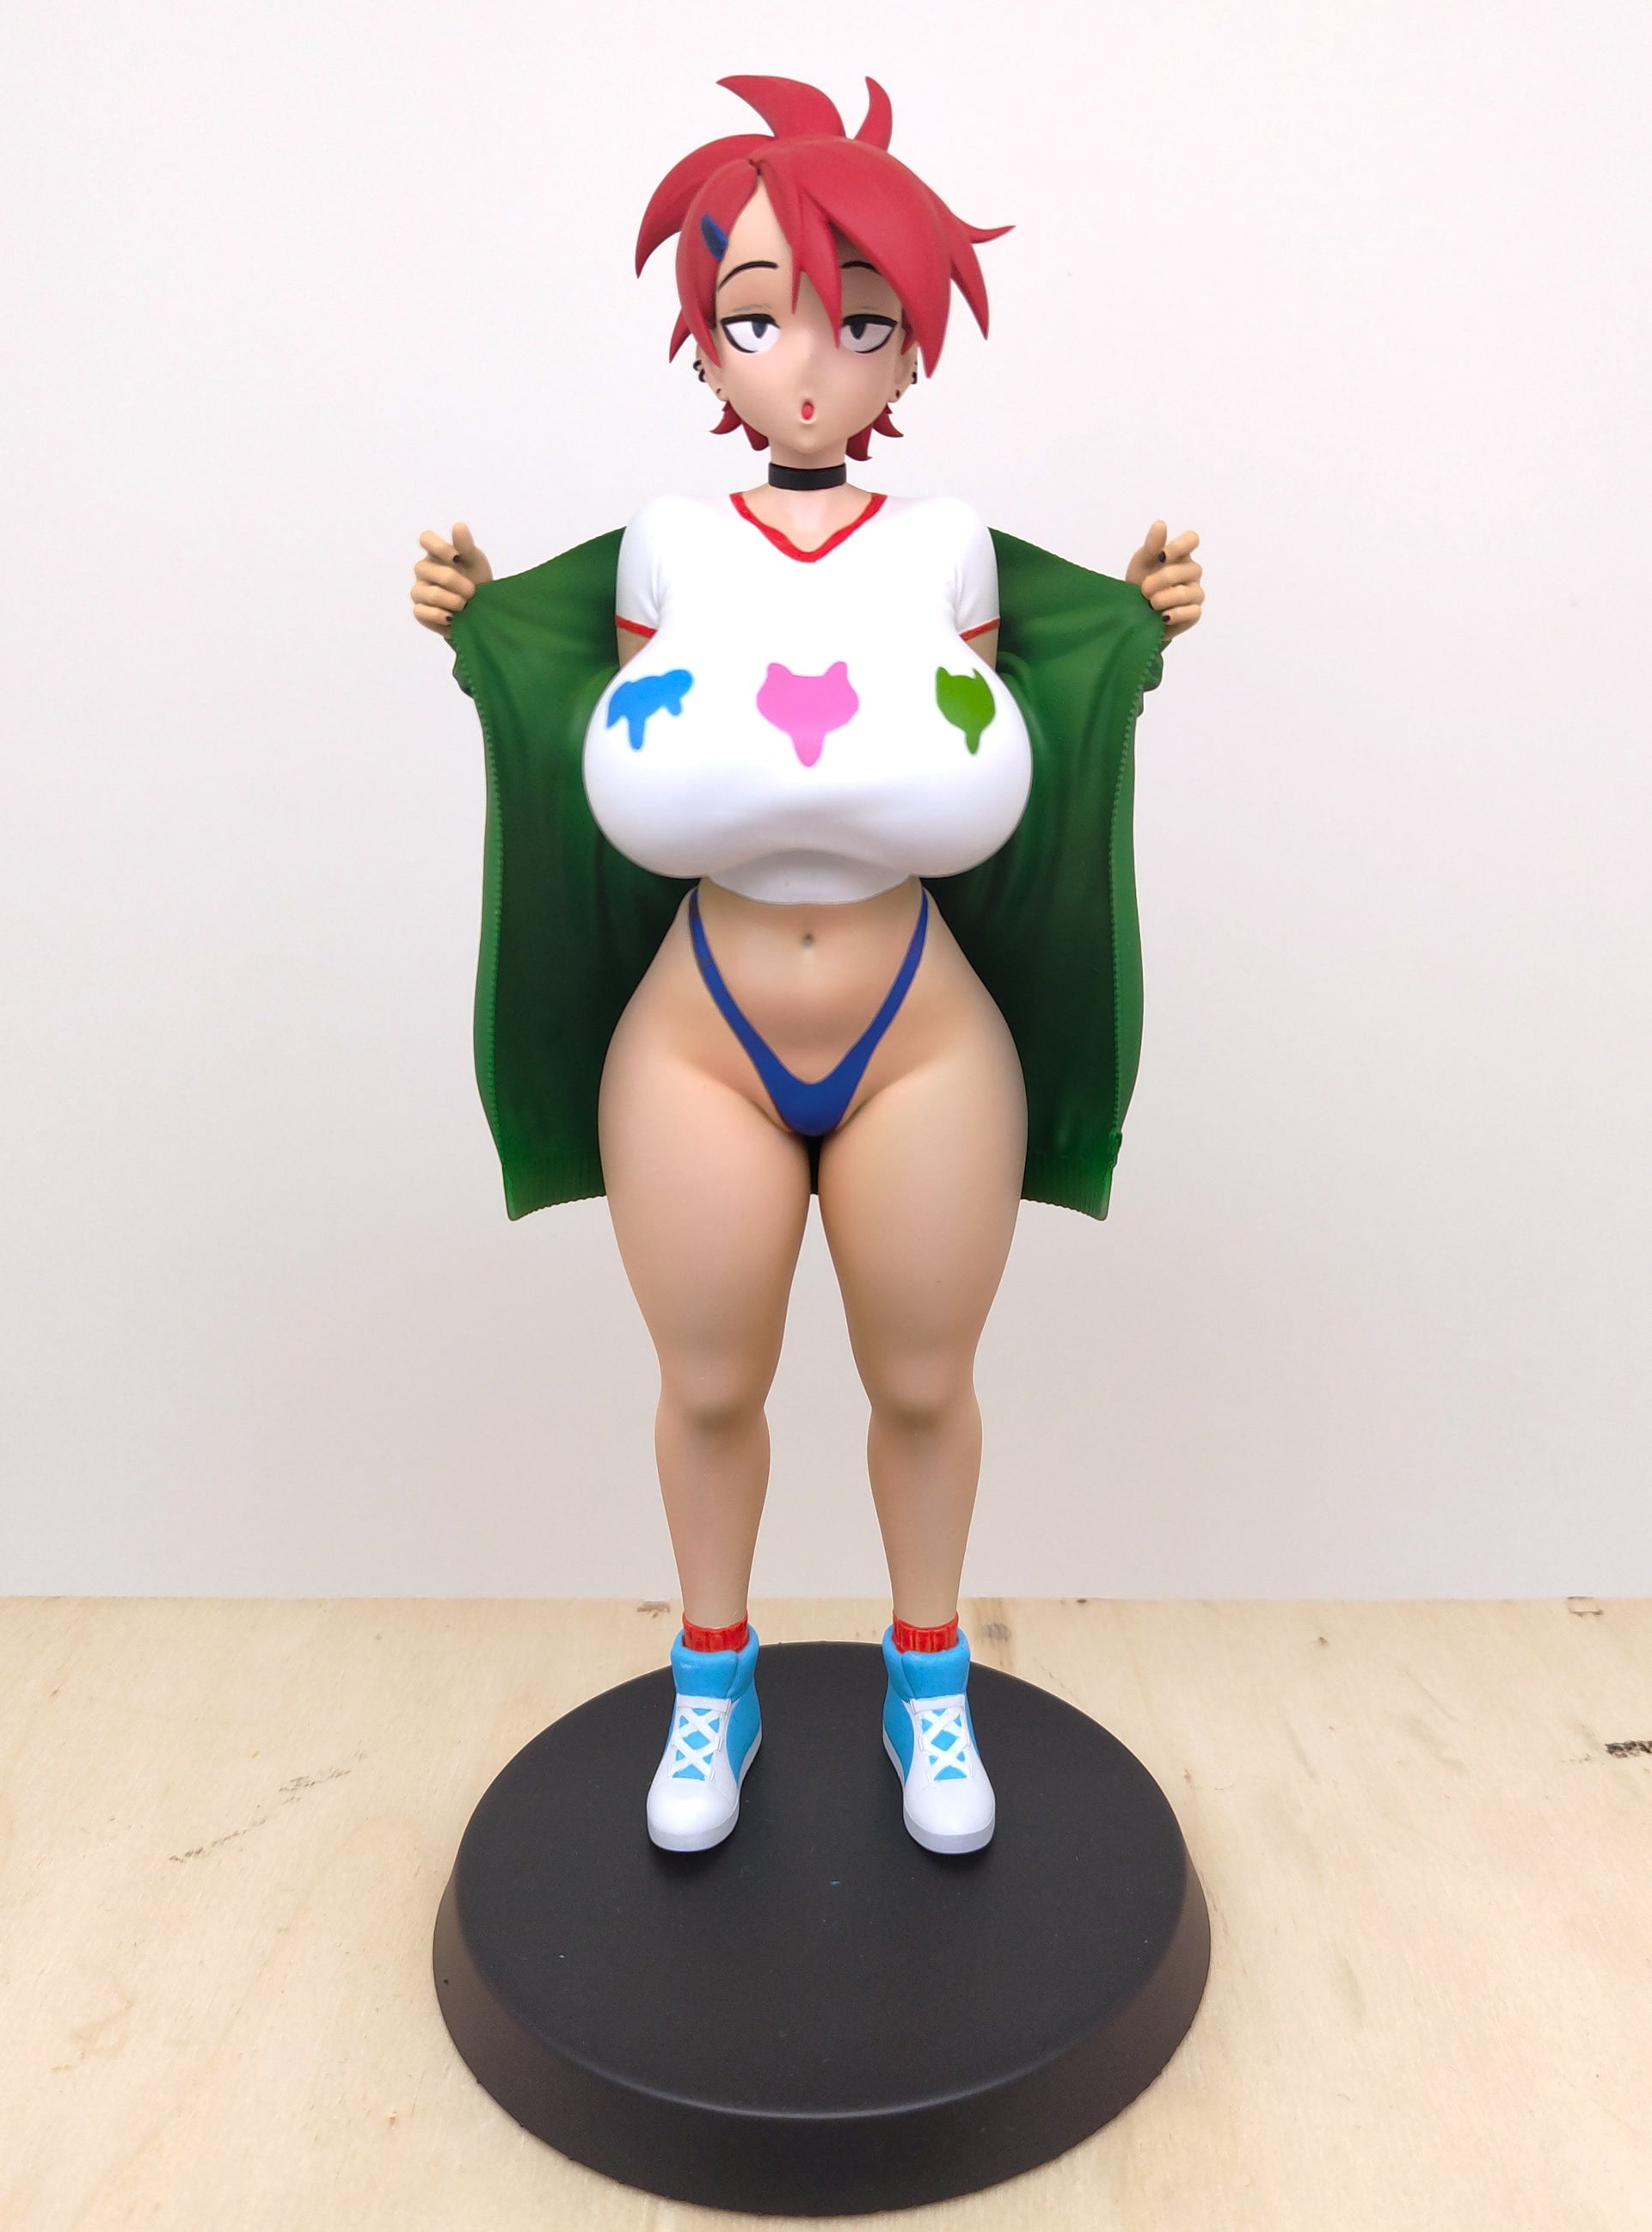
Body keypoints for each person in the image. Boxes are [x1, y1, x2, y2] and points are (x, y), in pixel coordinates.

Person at [411, 75, 1204, 1857]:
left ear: (910, 346)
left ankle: (931, 1680)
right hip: (700, 1029)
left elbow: (1007, 712)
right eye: (758, 317)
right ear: (706, 341)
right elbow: (601, 705)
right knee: (709, 1384)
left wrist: (1121, 629)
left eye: (859, 320)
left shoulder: (944, 546)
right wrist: (491, 622)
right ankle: (716, 1676)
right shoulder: (669, 542)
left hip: (920, 1025)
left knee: (922, 1382)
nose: (809, 364)